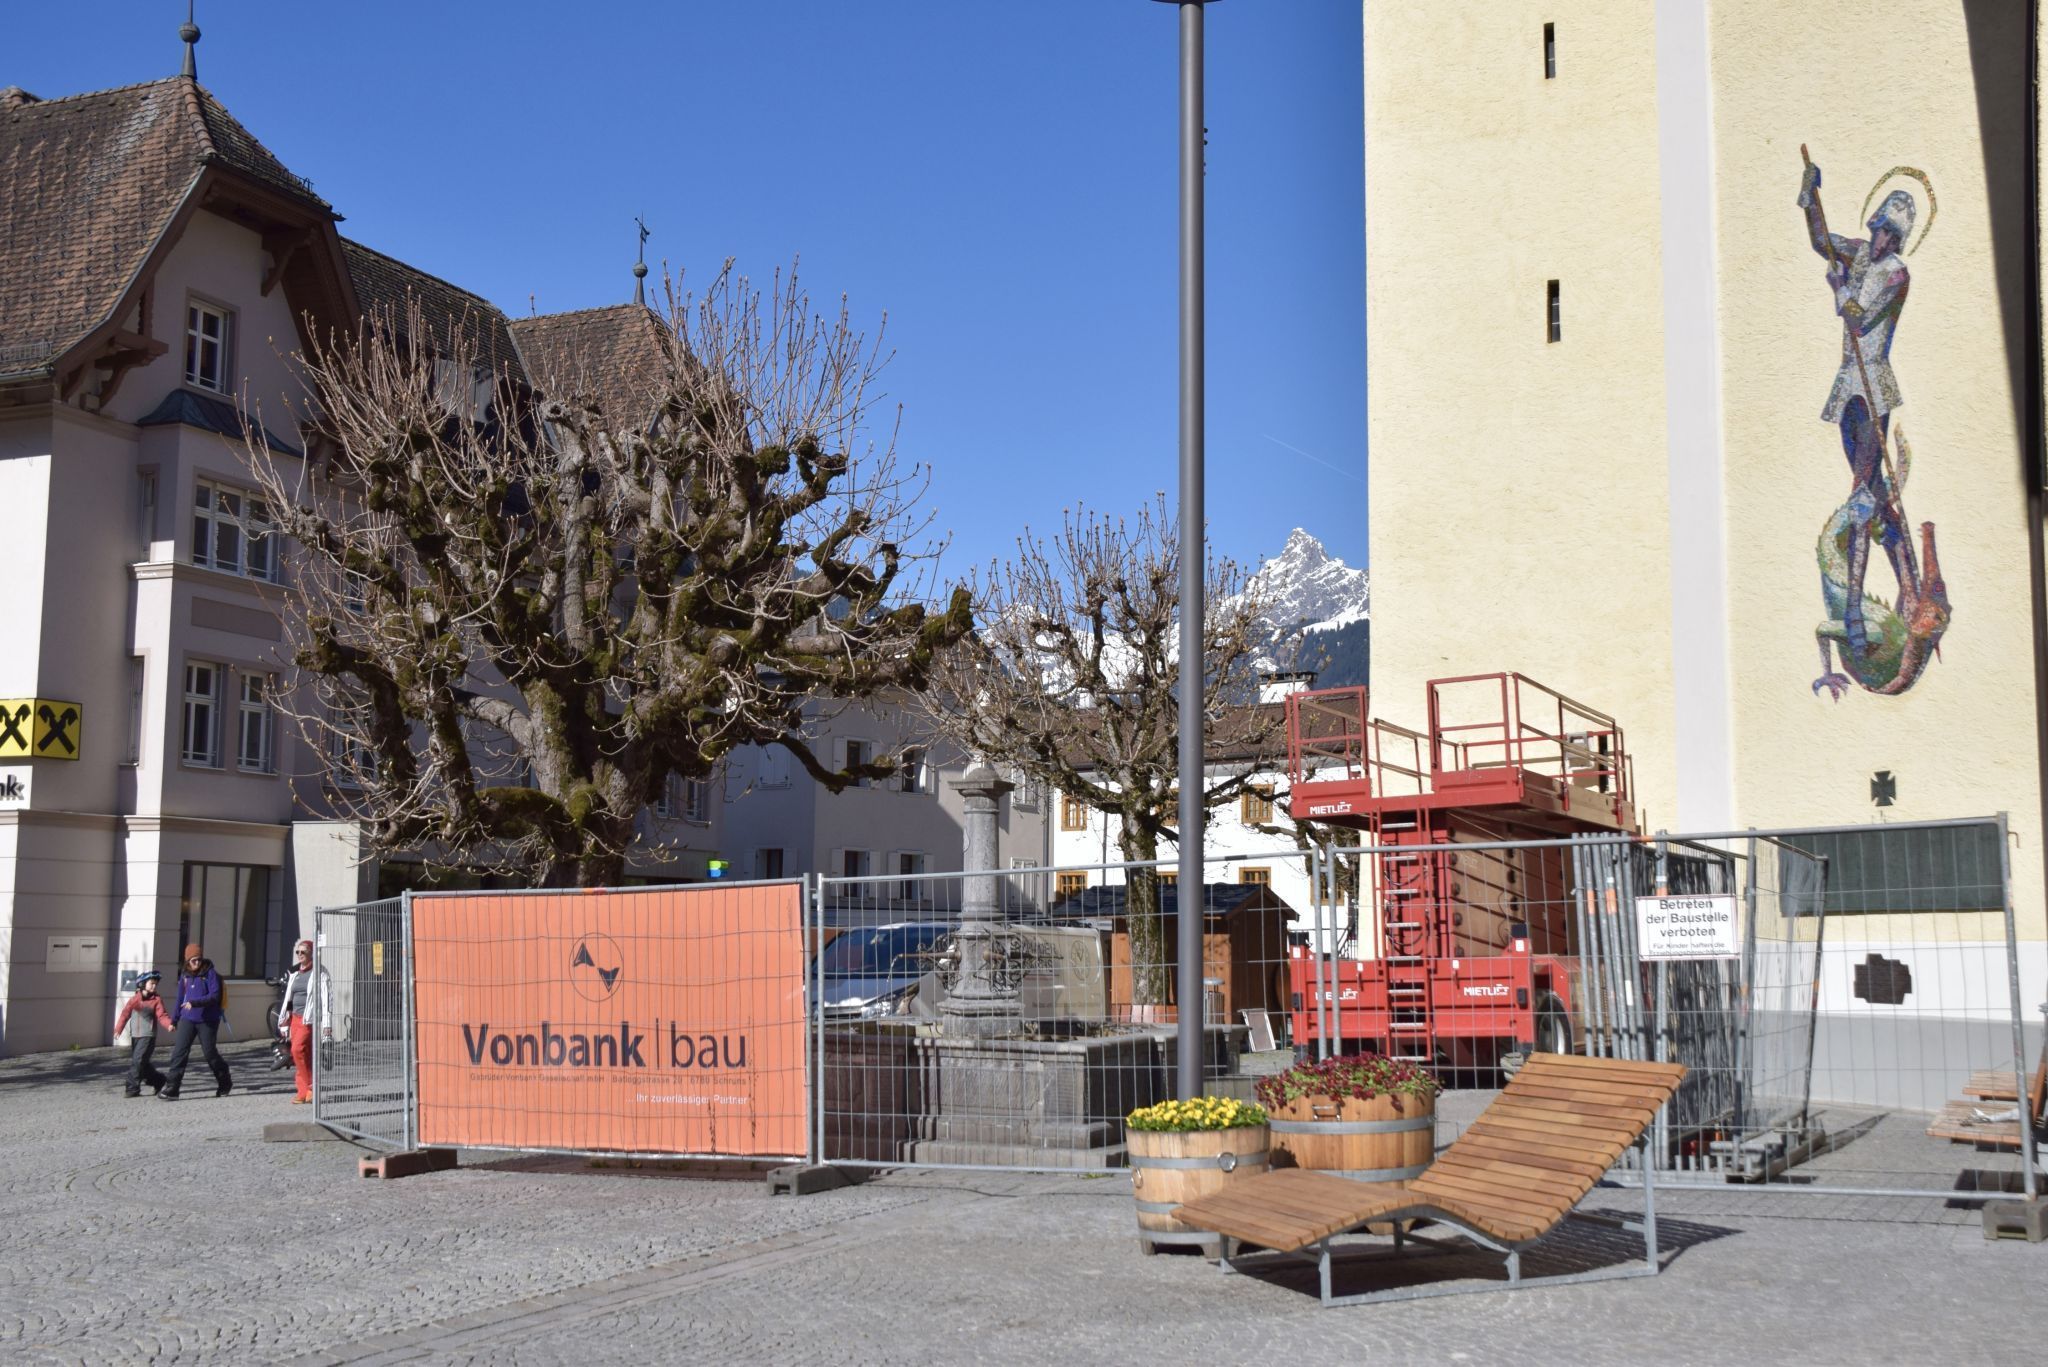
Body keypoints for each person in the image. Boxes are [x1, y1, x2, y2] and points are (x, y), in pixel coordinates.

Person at [1797, 158, 1917, 658]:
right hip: (1848, 384)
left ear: (1899, 236)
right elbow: (1824, 242)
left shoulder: (1895, 274)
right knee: (1869, 495)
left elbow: (1860, 319)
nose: (1880, 236)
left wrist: (1839, 288)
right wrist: (1809, 199)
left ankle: (1852, 615)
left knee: (1862, 494)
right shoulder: (1863, 254)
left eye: (1888, 231)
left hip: (1873, 390)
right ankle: (1908, 582)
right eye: (1877, 227)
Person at [161, 943, 232, 1101]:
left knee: (209, 1053)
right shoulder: (185, 976)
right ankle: (172, 1087)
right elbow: (180, 999)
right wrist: (174, 1020)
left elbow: (214, 996)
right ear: (187, 961)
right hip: (188, 1019)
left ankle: (224, 1080)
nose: (197, 963)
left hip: (208, 1020)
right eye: (193, 960)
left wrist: (195, 1002)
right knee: (179, 1052)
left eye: (199, 959)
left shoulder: (210, 973)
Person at [277, 938, 331, 1104]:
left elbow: (326, 999)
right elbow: (289, 999)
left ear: (311, 954)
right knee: (303, 1055)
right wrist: (285, 1020)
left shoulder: (319, 974)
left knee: (297, 1050)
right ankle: (303, 1092)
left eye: (303, 952)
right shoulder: (295, 975)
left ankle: (311, 1085)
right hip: (294, 1018)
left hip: (309, 1019)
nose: (300, 955)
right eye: (298, 952)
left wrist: (327, 1024)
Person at [113, 970, 175, 1098]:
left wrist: (168, 1024)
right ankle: (159, 1080)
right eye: (151, 983)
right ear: (142, 984)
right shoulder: (135, 999)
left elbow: (162, 1015)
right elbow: (125, 1014)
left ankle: (132, 1088)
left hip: (148, 1036)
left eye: (155, 984)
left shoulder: (156, 1000)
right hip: (135, 1035)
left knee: (138, 1060)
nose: (154, 986)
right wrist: (118, 1029)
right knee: (142, 1063)